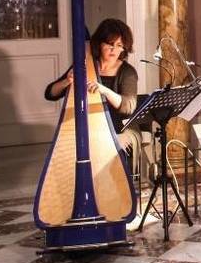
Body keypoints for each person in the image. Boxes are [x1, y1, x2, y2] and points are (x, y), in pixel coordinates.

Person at [44, 18, 143, 175]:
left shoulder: (127, 72)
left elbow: (128, 107)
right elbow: (50, 93)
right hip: (89, 128)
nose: (114, 50)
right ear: (99, 44)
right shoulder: (85, 65)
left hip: (119, 127)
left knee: (109, 144)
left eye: (119, 46)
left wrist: (103, 89)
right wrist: (67, 81)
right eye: (110, 44)